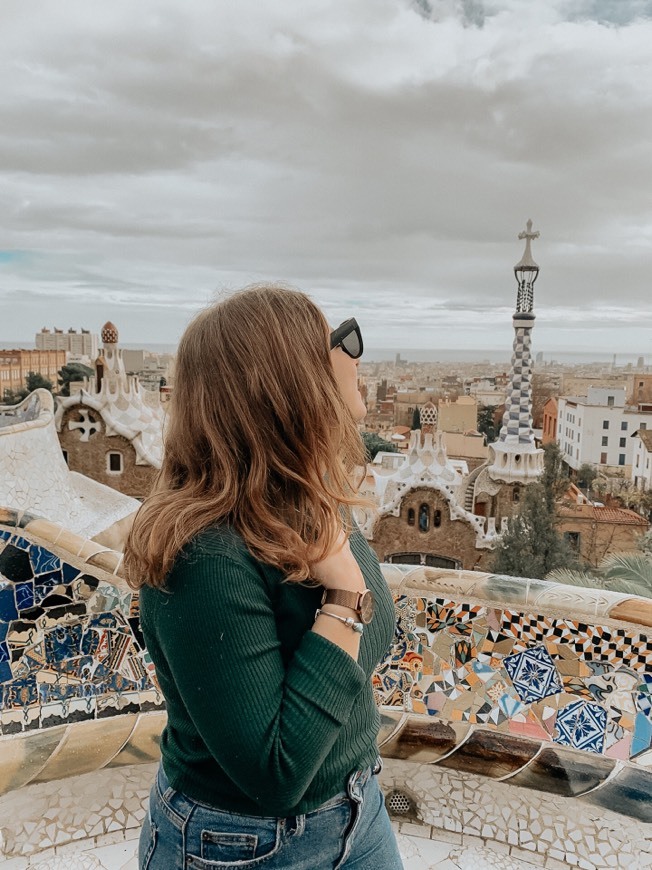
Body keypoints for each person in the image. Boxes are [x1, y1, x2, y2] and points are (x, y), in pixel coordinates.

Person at [124, 284, 404, 870]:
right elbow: (274, 773)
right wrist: (345, 597)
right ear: (288, 382)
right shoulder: (202, 558)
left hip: (358, 809)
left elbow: (363, 648)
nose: (352, 354)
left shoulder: (310, 502)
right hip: (239, 846)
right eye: (333, 342)